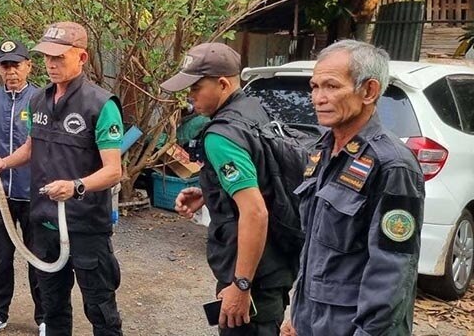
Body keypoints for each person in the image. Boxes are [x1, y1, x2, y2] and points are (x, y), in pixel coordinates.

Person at [0, 22, 124, 336]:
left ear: (82, 57)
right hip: (45, 224)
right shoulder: (39, 100)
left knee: (101, 311)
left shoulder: (101, 105)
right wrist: (2, 162)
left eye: (60, 57)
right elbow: (31, 148)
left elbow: (114, 170)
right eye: (47, 56)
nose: (51, 63)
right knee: (53, 310)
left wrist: (76, 187)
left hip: (86, 226)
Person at [281, 40, 424, 336]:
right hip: (313, 320)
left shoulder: (392, 164)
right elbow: (315, 249)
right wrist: (297, 313)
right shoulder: (325, 150)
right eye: (314, 86)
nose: (318, 98)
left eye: (331, 86)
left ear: (369, 91)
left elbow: (392, 271)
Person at [163, 43, 296, 336]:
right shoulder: (253, 109)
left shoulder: (220, 136)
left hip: (254, 276)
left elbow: (255, 211)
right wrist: (212, 193)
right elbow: (262, 178)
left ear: (223, 84)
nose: (189, 96)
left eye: (196, 88)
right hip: (275, 263)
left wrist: (241, 284)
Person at [0, 39, 44, 336]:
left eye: (16, 65)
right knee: (1, 259)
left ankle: (45, 318)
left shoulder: (43, 98)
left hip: (35, 194)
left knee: (39, 259)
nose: (11, 71)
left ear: (29, 65)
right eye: (5, 66)